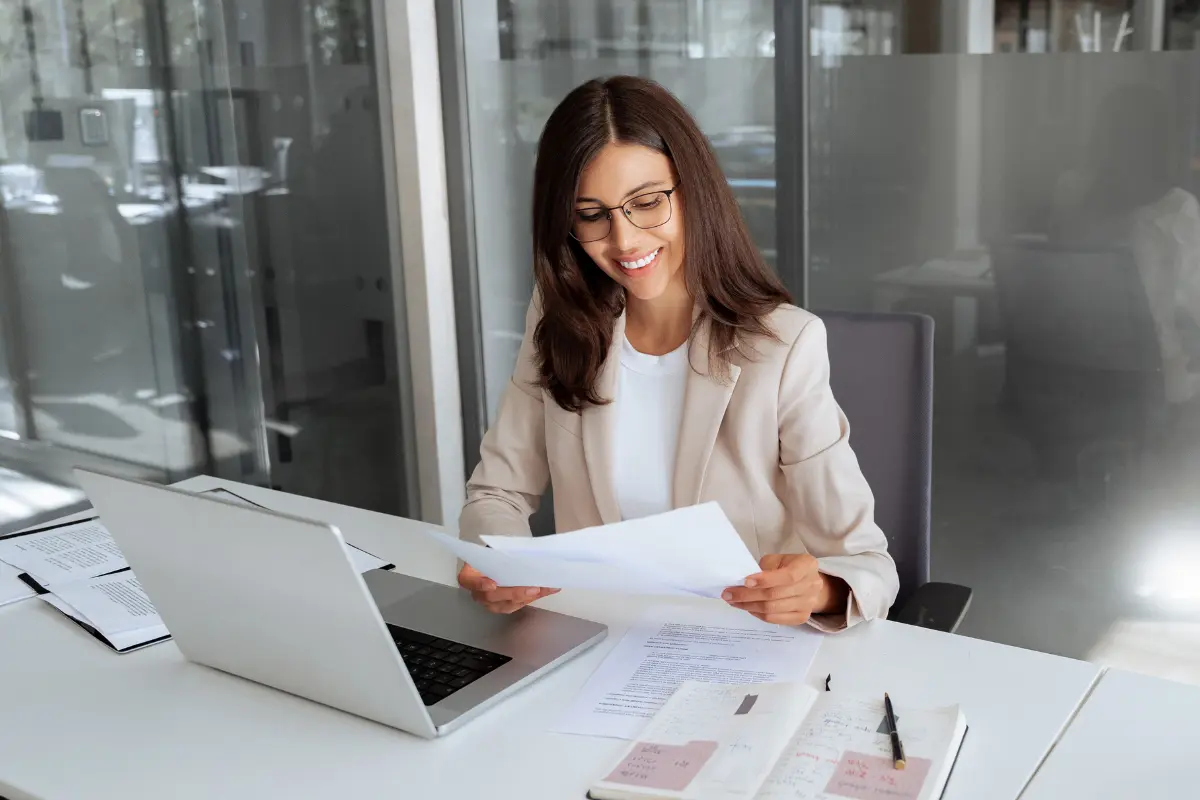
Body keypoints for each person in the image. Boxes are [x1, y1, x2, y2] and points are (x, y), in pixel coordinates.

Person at [457, 76, 898, 632]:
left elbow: (867, 564)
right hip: (597, 640)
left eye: (646, 202)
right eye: (592, 215)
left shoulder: (784, 347)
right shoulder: (558, 318)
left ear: (693, 191)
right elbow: (497, 490)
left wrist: (822, 590)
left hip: (739, 647)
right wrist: (494, 561)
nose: (624, 241)